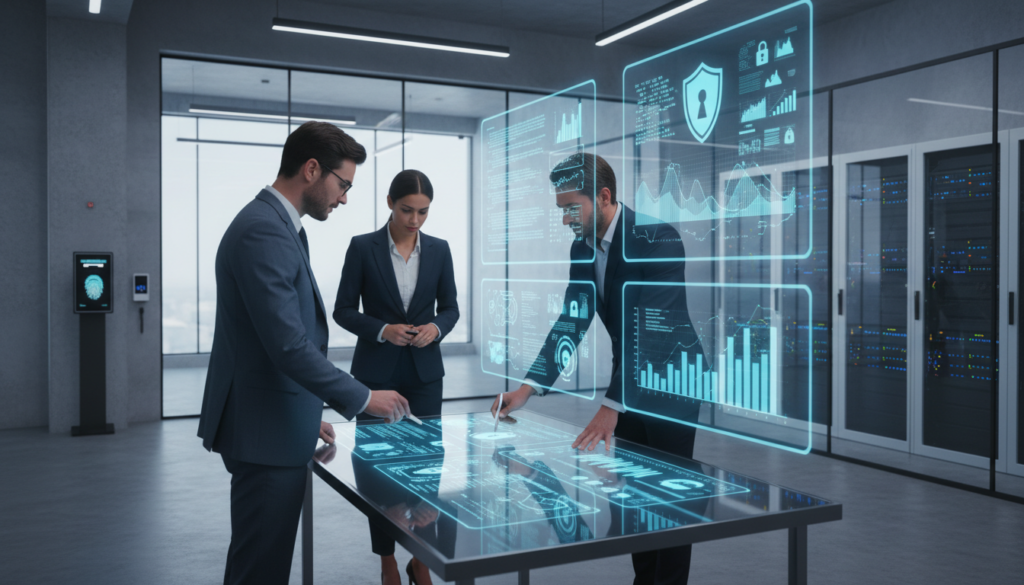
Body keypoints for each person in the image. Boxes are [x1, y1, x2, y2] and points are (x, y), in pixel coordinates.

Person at [197, 121, 412, 585]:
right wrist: (363, 397)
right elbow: (287, 343)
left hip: (274, 418)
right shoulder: (264, 231)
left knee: (260, 560)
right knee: (261, 569)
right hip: (264, 435)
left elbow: (267, 339)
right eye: (343, 184)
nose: (344, 198)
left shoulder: (281, 227)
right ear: (312, 170)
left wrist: (303, 409)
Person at [490, 153, 703, 585]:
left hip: (671, 387)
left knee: (667, 501)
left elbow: (654, 331)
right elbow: (573, 319)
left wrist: (612, 405)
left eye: (572, 207)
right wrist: (526, 389)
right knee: (630, 500)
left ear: (603, 196)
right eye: (561, 209)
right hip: (628, 380)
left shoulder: (658, 239)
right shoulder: (582, 247)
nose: (566, 218)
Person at [333, 169, 459, 585]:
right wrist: (382, 330)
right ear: (390, 202)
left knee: (425, 465)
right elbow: (344, 310)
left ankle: (419, 557)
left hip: (425, 373)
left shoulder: (439, 250)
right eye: (407, 210)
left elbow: (451, 308)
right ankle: (387, 558)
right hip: (375, 373)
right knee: (376, 467)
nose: (415, 220)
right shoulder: (362, 247)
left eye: (423, 212)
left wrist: (435, 329)